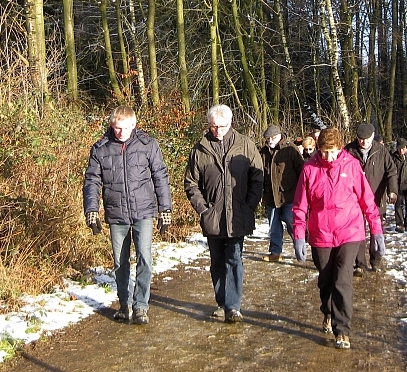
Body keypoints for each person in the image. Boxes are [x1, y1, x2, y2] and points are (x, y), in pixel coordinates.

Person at [292, 127, 385, 350]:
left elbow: (367, 201)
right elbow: (300, 206)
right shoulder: (309, 169)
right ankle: (328, 311)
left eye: (332, 151)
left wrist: (376, 230)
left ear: (340, 148)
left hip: (349, 231)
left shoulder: (351, 166)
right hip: (321, 233)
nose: (328, 157)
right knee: (326, 281)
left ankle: (342, 330)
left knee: (343, 279)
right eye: (323, 151)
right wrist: (298, 235)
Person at [84, 106, 172, 325]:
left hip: (143, 211)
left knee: (144, 258)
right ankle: (124, 304)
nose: (120, 132)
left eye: (124, 128)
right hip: (116, 213)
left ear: (134, 125)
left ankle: (141, 306)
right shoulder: (100, 148)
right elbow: (92, 181)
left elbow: (160, 176)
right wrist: (91, 211)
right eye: (116, 128)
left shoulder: (148, 145)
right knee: (119, 262)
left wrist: (165, 209)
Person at [184, 104, 264, 323]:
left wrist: (250, 205)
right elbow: (191, 183)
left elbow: (258, 178)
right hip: (212, 215)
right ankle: (222, 302)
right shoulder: (200, 149)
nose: (217, 130)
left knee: (234, 258)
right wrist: (203, 208)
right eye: (213, 126)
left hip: (239, 213)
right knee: (217, 260)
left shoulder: (246, 145)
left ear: (231, 124)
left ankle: (233, 306)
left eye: (222, 126)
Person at [345, 122, 398, 272]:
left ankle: (375, 260)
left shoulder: (381, 151)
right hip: (354, 201)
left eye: (367, 139)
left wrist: (392, 191)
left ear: (373, 136)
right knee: (357, 233)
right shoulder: (348, 151)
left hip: (376, 198)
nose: (364, 142)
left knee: (376, 232)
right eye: (361, 139)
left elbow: (392, 172)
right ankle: (359, 264)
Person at [259, 125, 305, 261]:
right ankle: (275, 252)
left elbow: (302, 171)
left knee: (292, 223)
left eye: (272, 138)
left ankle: (300, 244)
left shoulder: (290, 149)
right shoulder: (263, 152)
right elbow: (259, 173)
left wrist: (302, 192)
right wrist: (260, 193)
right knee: (273, 226)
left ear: (279, 136)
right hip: (271, 196)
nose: (270, 141)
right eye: (268, 138)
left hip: (289, 196)